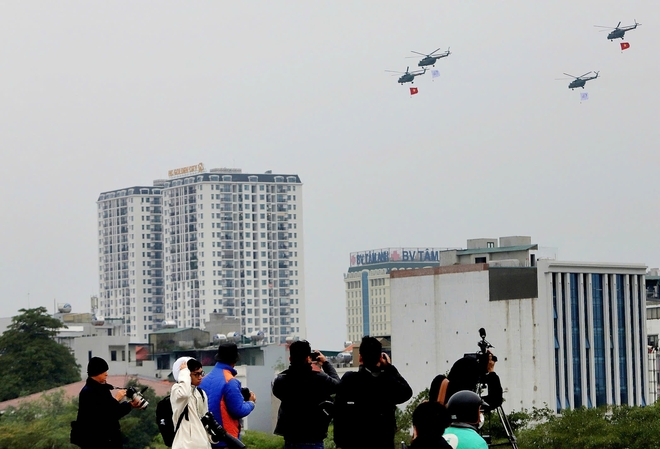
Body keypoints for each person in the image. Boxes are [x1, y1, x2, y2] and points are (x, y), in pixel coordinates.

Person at [333, 336, 413, 449]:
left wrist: (340, 443)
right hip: (382, 443)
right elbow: (407, 393)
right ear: (380, 358)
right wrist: (389, 368)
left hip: (353, 444)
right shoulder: (387, 382)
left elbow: (338, 413)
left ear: (360, 358)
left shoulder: (349, 380)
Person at [272, 340, 340, 449]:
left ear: (290, 359)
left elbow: (278, 391)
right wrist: (326, 363)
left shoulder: (281, 381)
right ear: (308, 358)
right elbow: (338, 385)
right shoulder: (320, 379)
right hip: (314, 439)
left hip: (290, 440)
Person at [73, 357, 142, 448]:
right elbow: (103, 416)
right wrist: (117, 399)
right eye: (104, 371)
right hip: (97, 441)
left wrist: (130, 405)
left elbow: (114, 413)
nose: (106, 374)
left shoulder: (102, 389)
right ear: (96, 372)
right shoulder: (88, 392)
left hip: (110, 439)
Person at [199, 343, 255, 447]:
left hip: (206, 438)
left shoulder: (204, 379)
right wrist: (251, 403)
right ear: (234, 361)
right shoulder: (230, 381)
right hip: (227, 440)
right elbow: (238, 410)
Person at [171, 357, 211, 449]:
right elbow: (184, 394)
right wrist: (184, 371)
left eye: (201, 373)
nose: (200, 377)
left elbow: (205, 418)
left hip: (203, 444)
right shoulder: (177, 390)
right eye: (196, 374)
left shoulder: (201, 393)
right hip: (184, 445)